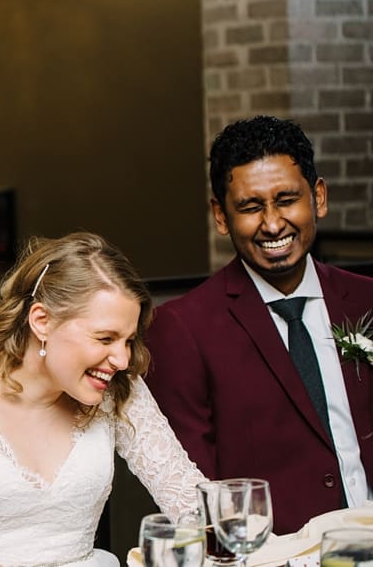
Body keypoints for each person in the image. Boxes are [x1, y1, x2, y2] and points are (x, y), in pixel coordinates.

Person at [0, 232, 206, 567]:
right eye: (105, 338)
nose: (121, 359)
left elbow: (189, 498)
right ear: (42, 321)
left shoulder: (117, 387)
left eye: (128, 341)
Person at [145, 115, 373, 535]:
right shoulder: (182, 329)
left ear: (318, 197)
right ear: (221, 215)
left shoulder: (367, 300)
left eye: (287, 200)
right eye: (250, 207)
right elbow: (194, 489)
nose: (271, 224)